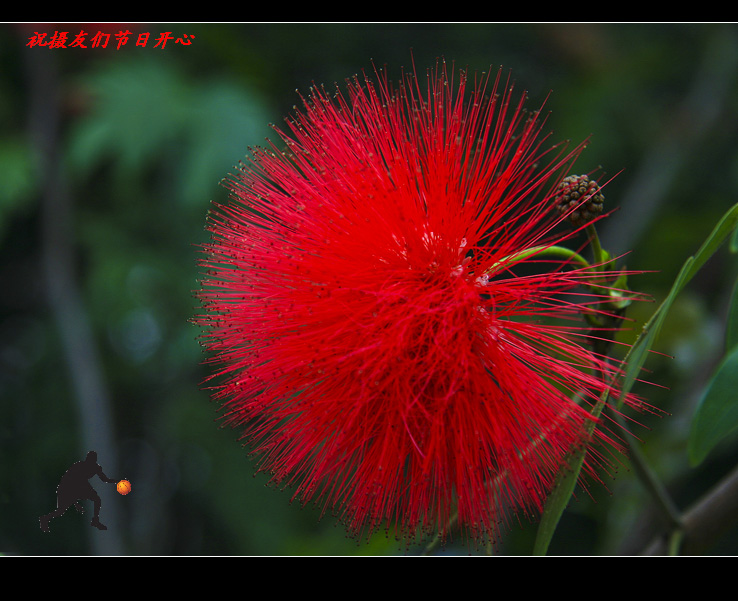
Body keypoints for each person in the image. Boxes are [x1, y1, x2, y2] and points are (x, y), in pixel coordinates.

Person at [39, 451, 118, 532]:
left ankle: (95, 520)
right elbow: (70, 481)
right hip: (67, 487)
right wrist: (76, 503)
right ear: (87, 459)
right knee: (61, 511)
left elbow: (105, 479)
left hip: (81, 485)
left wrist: (117, 481)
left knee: (97, 499)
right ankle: (45, 519)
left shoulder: (96, 468)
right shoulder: (79, 466)